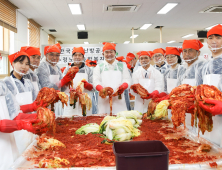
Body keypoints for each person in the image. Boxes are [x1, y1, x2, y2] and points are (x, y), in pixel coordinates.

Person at [3, 51, 46, 154]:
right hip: (14, 127)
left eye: (27, 64)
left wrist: (39, 107)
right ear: (12, 64)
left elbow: (35, 101)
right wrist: (30, 108)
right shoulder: (7, 83)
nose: (24, 67)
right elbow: (11, 111)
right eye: (20, 63)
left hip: (32, 125)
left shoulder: (28, 83)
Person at [196, 24, 222, 146]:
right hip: (208, 118)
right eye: (210, 38)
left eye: (218, 37)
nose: (214, 41)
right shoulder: (204, 66)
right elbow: (199, 89)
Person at [93, 42, 131, 115]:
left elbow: (127, 79)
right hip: (104, 100)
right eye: (106, 52)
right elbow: (95, 81)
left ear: (115, 53)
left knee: (120, 120)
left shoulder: (122, 65)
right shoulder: (99, 67)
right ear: (103, 54)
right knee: (104, 119)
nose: (109, 54)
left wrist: (123, 87)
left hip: (119, 99)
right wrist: (102, 90)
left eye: (111, 52)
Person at [36, 43, 73, 116]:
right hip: (45, 102)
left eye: (57, 55)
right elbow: (45, 87)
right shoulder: (42, 66)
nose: (54, 57)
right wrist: (62, 82)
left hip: (55, 101)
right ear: (46, 55)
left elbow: (61, 87)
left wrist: (68, 89)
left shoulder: (57, 68)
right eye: (51, 54)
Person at [63, 47, 94, 116]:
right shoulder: (67, 69)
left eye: (80, 55)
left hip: (85, 100)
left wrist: (87, 85)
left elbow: (93, 87)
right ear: (72, 57)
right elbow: (62, 85)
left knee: (85, 122)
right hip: (70, 100)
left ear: (83, 57)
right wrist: (68, 88)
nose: (77, 57)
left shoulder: (88, 70)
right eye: (75, 55)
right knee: (69, 122)